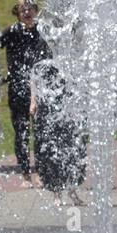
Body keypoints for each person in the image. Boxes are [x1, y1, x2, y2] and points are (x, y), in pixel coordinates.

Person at [0, 0, 50, 183]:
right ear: (18, 14)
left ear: (35, 10)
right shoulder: (11, 32)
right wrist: (0, 75)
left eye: (30, 9)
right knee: (21, 132)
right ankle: (26, 173)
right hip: (18, 88)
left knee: (41, 131)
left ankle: (41, 172)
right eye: (22, 10)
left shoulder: (42, 30)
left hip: (40, 87)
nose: (27, 12)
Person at [31, 60, 86, 206]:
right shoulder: (43, 58)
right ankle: (57, 193)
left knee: (71, 152)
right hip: (47, 110)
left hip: (66, 109)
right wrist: (33, 100)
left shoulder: (67, 56)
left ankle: (72, 191)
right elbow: (34, 76)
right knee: (52, 152)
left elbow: (75, 81)